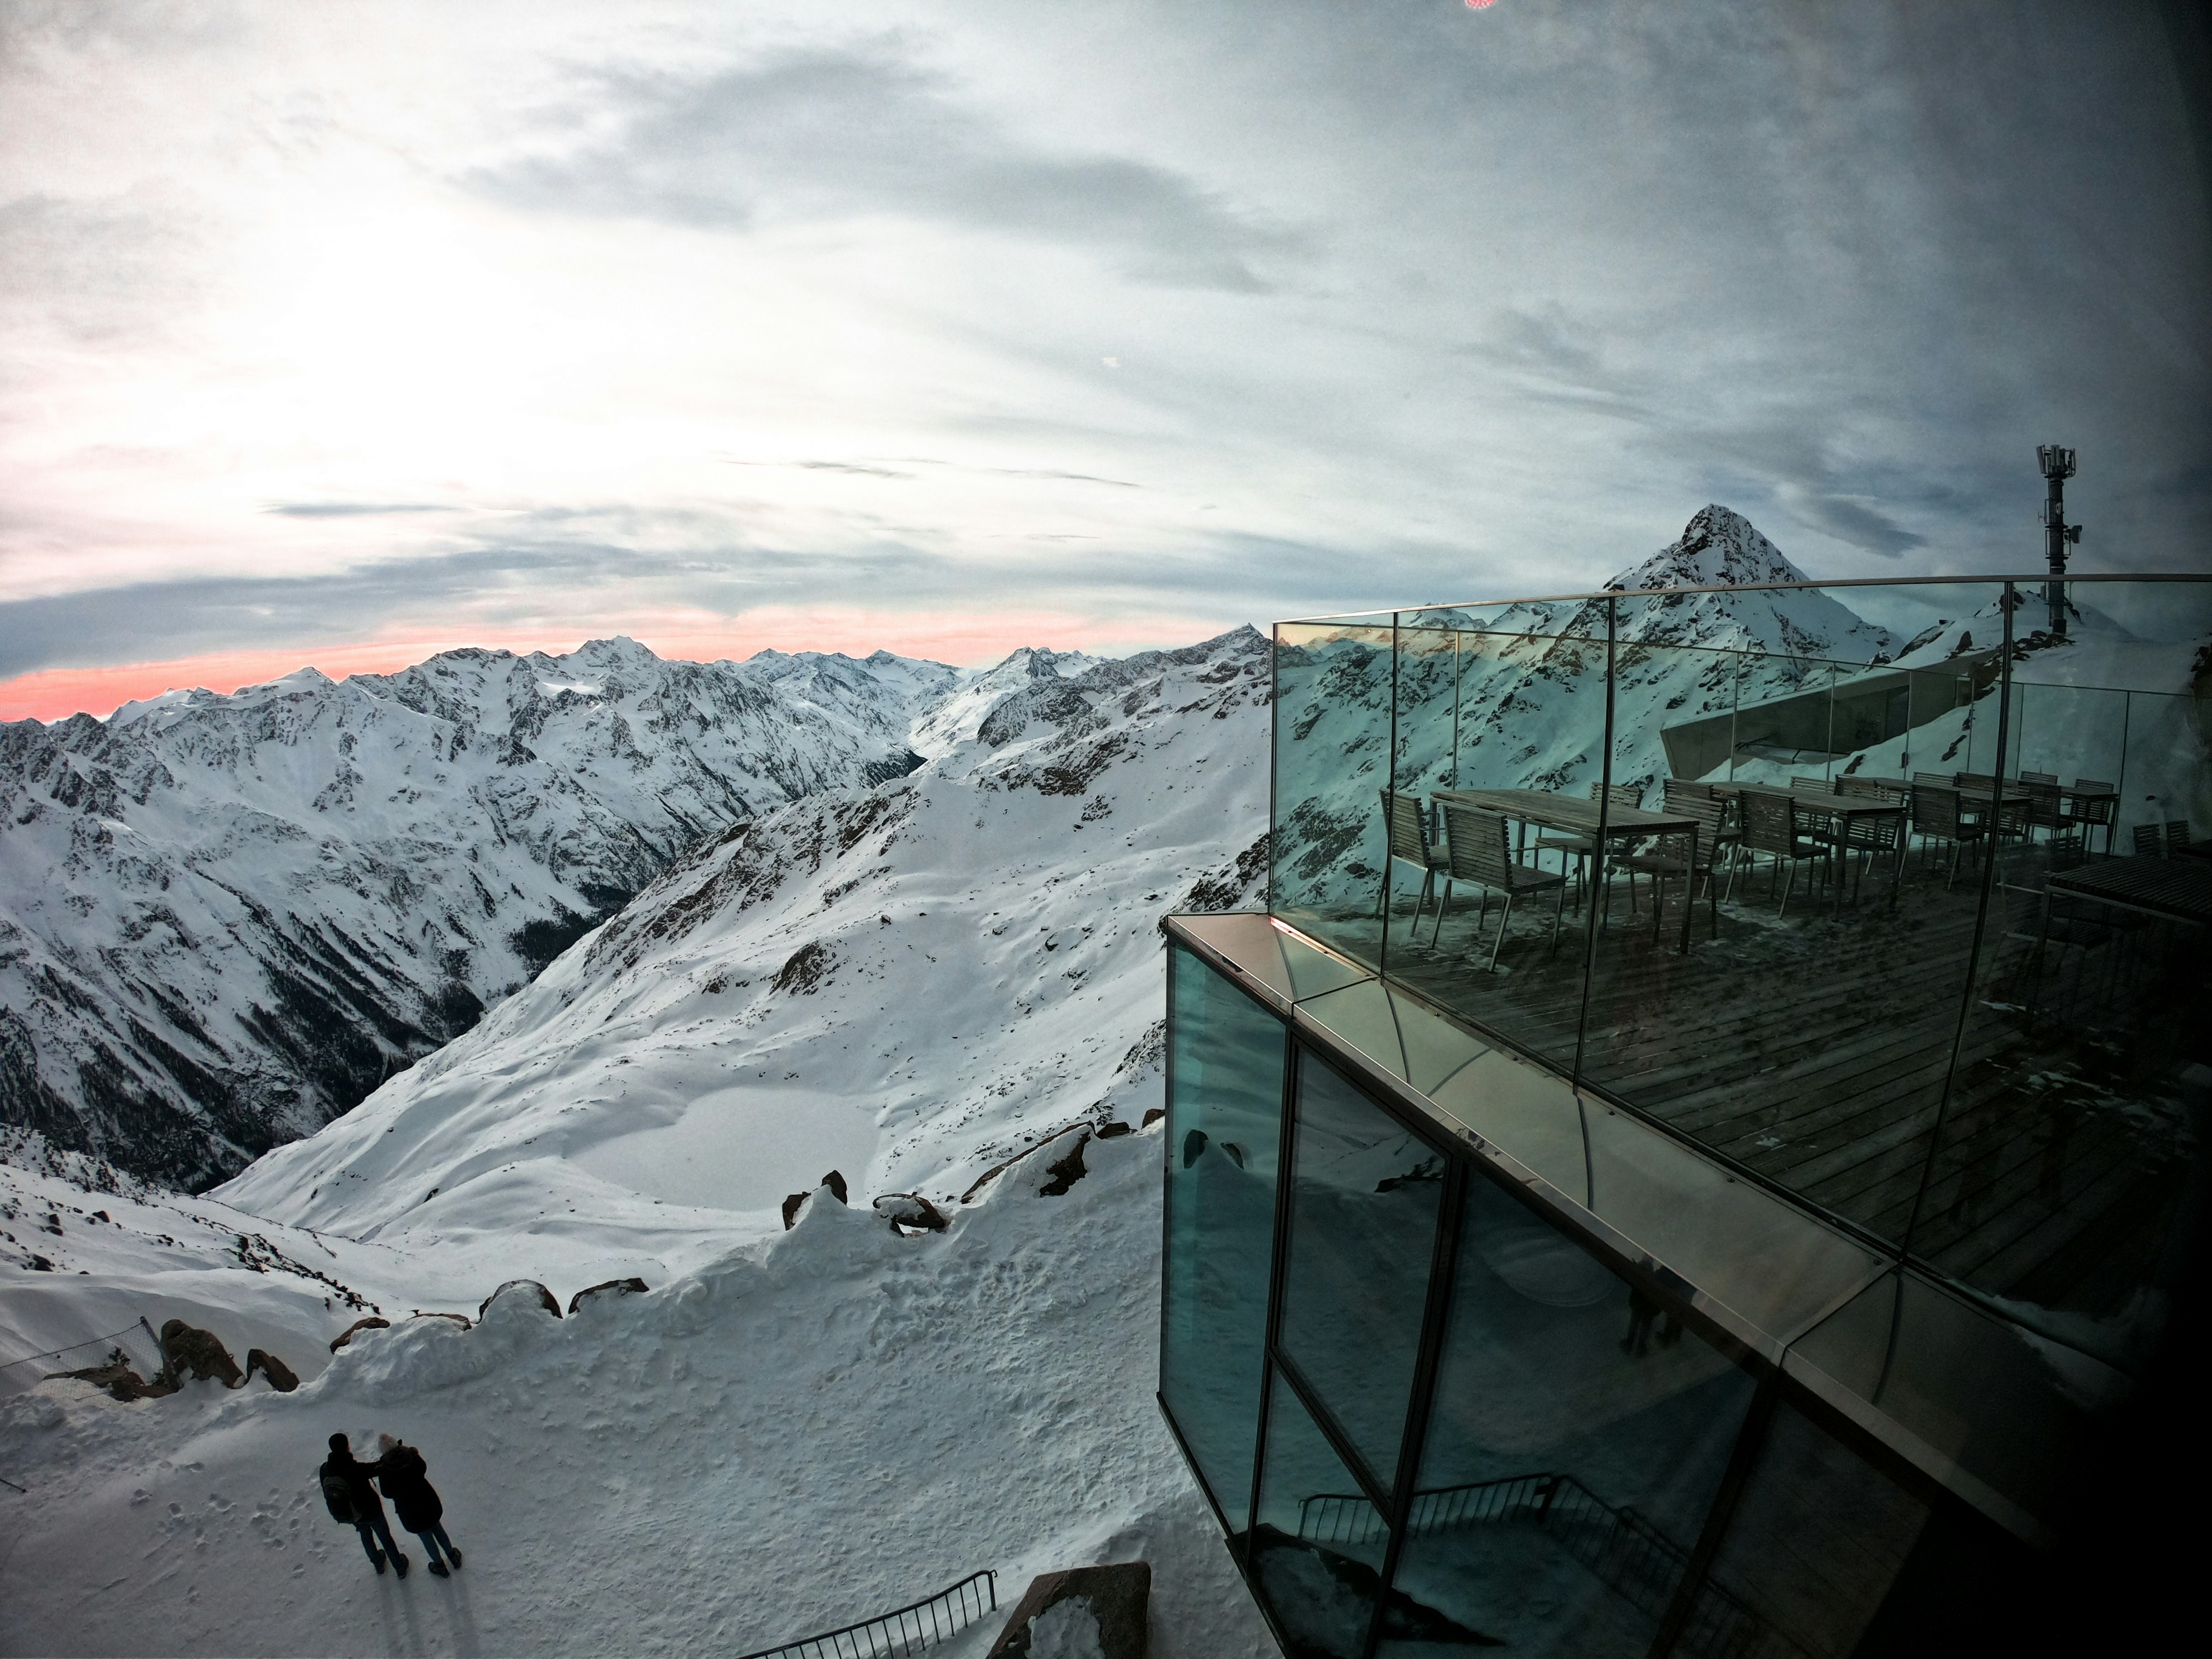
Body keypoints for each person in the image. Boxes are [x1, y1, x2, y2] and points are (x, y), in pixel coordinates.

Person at [375, 1432, 463, 1578]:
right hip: (427, 1499)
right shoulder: (410, 1455)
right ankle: (453, 1556)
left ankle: (440, 1566)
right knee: (437, 1527)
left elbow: (387, 1493)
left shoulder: (384, 1469)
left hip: (409, 1510)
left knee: (426, 1537)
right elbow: (422, 1468)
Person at [320, 1432, 407, 1578]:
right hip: (371, 1510)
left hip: (352, 1513)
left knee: (366, 1536)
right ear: (346, 1446)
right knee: (385, 1537)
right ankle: (399, 1566)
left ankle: (378, 1563)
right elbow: (378, 1468)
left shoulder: (325, 1469)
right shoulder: (354, 1468)